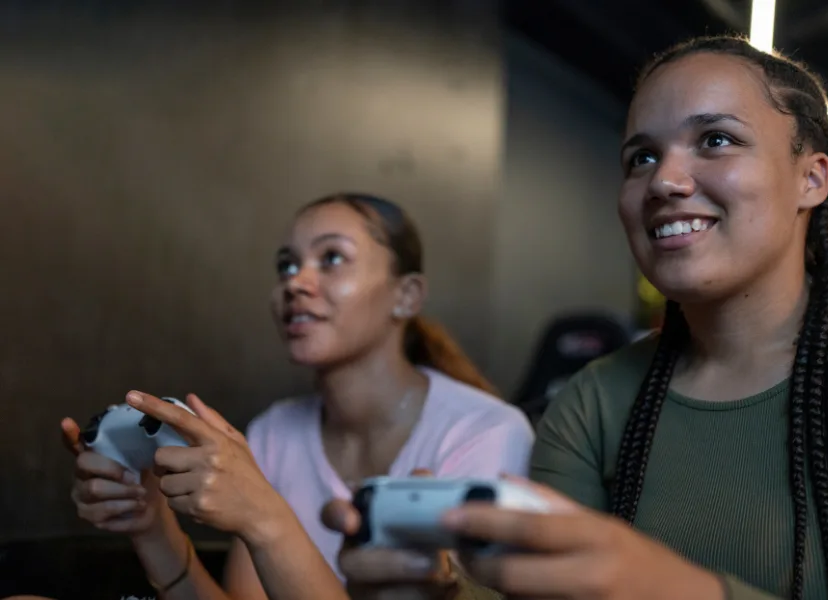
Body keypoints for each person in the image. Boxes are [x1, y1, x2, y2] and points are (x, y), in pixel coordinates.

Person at [324, 35, 828, 600]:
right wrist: (438, 589)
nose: (665, 181)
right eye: (641, 157)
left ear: (812, 178)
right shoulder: (592, 401)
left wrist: (660, 585)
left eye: (716, 139)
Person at [60, 193, 534, 599]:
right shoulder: (275, 430)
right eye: (286, 265)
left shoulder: (486, 433)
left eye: (331, 258)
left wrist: (265, 518)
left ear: (406, 296)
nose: (295, 283)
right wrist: (151, 525)